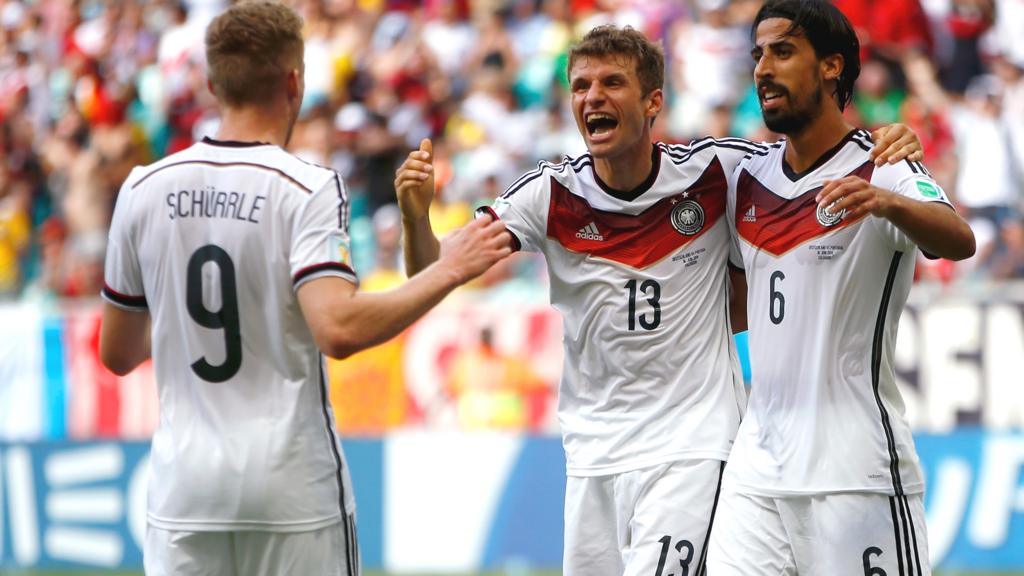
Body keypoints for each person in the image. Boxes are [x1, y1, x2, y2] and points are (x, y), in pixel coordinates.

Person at [395, 24, 923, 576]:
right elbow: (432, 276)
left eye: (611, 83)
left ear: (653, 102)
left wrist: (889, 145)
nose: (592, 97)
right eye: (580, 87)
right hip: (592, 454)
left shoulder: (716, 171)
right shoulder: (549, 194)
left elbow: (810, 157)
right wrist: (415, 218)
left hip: (693, 449)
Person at [97, 3, 510, 575]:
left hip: (184, 492)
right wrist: (449, 268)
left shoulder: (144, 188)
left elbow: (117, 352)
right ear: (294, 81)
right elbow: (337, 329)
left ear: (213, 83)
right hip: (291, 488)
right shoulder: (305, 187)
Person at [708, 1, 975, 574]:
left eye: (782, 51)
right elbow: (739, 305)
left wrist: (889, 202)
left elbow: (959, 240)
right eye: (758, 54)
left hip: (856, 472)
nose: (762, 68)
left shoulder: (884, 165)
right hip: (756, 469)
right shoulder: (746, 179)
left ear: (832, 67)